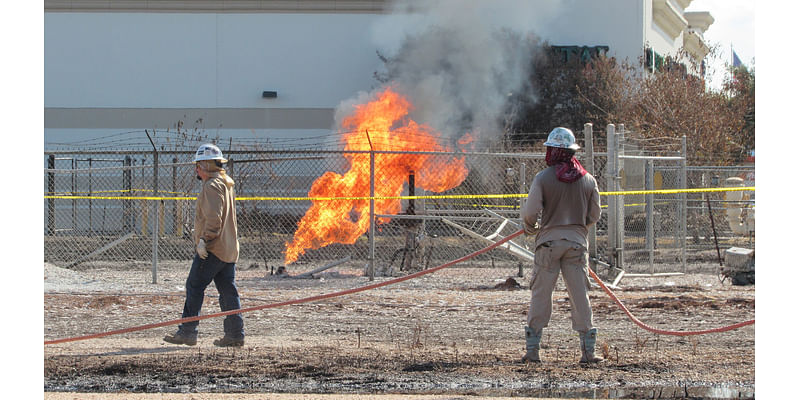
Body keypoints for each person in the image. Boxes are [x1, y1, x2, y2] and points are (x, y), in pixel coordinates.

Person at [520, 127, 603, 363]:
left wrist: (532, 227)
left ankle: (533, 351)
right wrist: (578, 231)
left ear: (553, 152)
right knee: (580, 296)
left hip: (548, 244)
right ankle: (589, 352)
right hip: (577, 245)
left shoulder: (543, 178)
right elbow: (595, 215)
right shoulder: (588, 180)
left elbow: (530, 212)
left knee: (541, 294)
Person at [163, 143, 245, 347]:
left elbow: (214, 219)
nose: (196, 169)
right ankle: (235, 334)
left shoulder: (212, 186)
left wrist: (203, 241)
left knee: (194, 285)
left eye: (199, 165)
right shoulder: (225, 183)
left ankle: (188, 331)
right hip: (228, 249)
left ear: (207, 165)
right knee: (228, 291)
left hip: (213, 249)